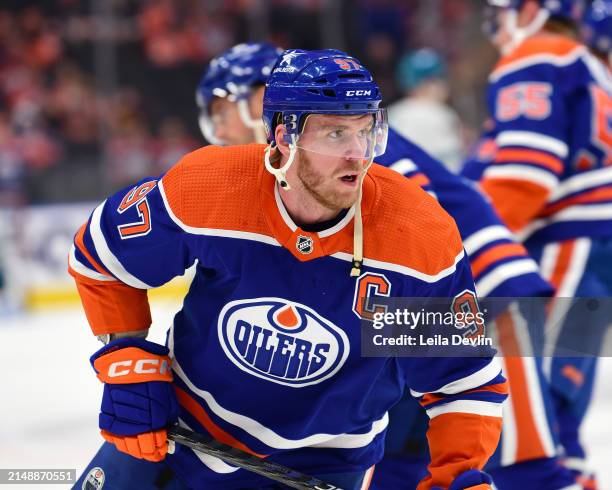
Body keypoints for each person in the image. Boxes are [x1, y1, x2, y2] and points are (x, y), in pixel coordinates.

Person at [71, 48, 507, 489]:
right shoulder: (209, 187)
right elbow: (100, 255)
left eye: (365, 131)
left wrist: (459, 474)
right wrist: (126, 357)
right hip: (179, 435)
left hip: (320, 467)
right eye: (336, 133)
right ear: (284, 136)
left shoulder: (415, 237)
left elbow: (463, 383)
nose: (358, 154)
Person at [197, 42, 572, 490]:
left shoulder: (337, 146)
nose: (218, 130)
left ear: (261, 99)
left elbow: (410, 253)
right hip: (444, 301)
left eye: (222, 110)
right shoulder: (321, 147)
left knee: (524, 471)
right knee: (399, 457)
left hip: (479, 299)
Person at [466, 1, 612, 487]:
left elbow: (525, 174)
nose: (496, 31)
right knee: (559, 410)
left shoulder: (539, 55)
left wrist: (465, 244)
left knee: (533, 407)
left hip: (562, 245)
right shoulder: (584, 60)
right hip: (589, 247)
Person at [387, 48, 464, 173]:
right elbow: (453, 166)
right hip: (436, 187)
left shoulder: (392, 113)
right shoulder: (441, 113)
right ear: (429, 83)